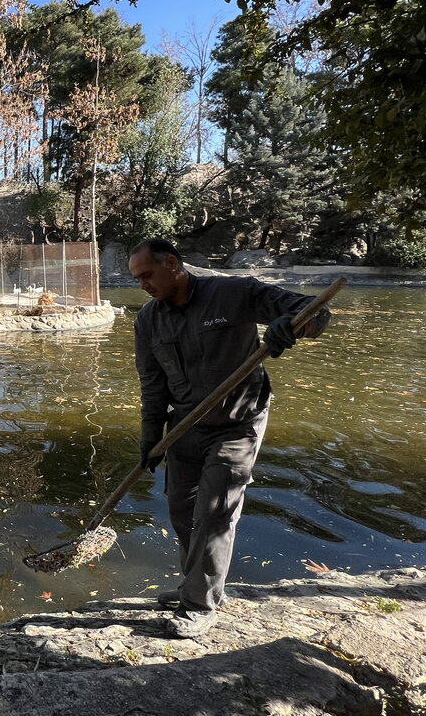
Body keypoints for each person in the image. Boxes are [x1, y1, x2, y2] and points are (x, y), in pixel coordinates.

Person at [127, 238, 331, 638]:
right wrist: (151, 437)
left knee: (215, 509)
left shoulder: (233, 291)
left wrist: (290, 326)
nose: (143, 285)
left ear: (172, 263)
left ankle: (199, 606)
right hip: (184, 425)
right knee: (182, 512)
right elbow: (152, 385)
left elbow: (315, 313)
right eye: (138, 279)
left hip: (238, 421)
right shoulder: (148, 320)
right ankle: (196, 585)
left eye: (147, 275)